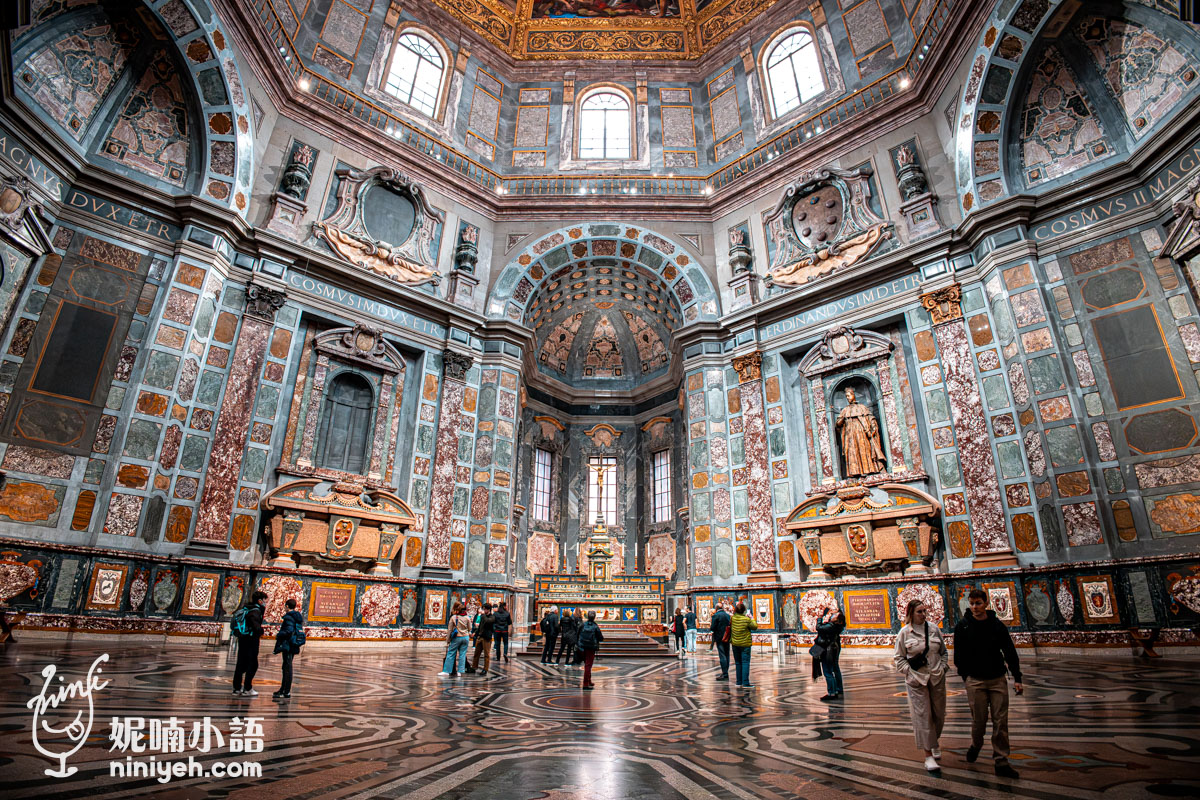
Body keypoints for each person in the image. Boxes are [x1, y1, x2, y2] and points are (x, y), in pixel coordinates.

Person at [954, 588, 1023, 780]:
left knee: (1001, 721)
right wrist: (966, 676)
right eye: (972, 603)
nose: (975, 607)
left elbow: (1009, 651)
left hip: (997, 679)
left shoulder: (996, 625)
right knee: (979, 721)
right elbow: (959, 656)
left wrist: (1017, 678)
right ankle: (976, 744)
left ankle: (1001, 760)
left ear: (986, 604)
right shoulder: (963, 626)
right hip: (975, 680)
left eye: (978, 603)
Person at [895, 599, 949, 773]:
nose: (923, 614)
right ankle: (928, 755)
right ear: (911, 613)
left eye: (925, 611)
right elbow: (899, 658)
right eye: (919, 611)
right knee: (923, 716)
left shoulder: (933, 628)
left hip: (936, 677)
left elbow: (944, 652)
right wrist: (910, 673)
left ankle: (934, 742)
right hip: (917, 681)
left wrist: (943, 668)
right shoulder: (904, 633)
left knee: (939, 715)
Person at [232, 591, 267, 697]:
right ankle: (247, 688)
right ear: (260, 601)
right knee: (253, 664)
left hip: (243, 639)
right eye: (265, 600)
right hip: (250, 640)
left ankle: (237, 688)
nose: (265, 602)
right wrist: (261, 630)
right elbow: (256, 627)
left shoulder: (247, 608)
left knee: (240, 663)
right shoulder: (256, 611)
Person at [272, 598, 304, 699]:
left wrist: (279, 635)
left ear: (287, 606)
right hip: (294, 643)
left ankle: (285, 691)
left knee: (287, 667)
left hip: (288, 644)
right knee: (287, 666)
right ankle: (285, 690)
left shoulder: (289, 618)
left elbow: (289, 631)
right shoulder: (297, 617)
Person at [814, 607, 845, 701]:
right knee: (835, 668)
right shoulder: (838, 626)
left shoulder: (831, 626)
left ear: (837, 619)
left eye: (834, 615)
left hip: (828, 650)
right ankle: (838, 689)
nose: (832, 615)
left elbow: (819, 627)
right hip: (834, 648)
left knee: (827, 671)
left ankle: (832, 692)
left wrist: (819, 618)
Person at [730, 601, 758, 688]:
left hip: (735, 643)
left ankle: (738, 682)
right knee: (745, 662)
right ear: (744, 611)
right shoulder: (746, 619)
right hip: (745, 644)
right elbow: (755, 626)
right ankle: (745, 682)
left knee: (738, 663)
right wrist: (752, 618)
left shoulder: (733, 618)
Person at [439, 602, 470, 677]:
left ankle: (446, 671)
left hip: (457, 637)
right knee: (462, 654)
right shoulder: (467, 618)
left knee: (451, 653)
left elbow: (450, 629)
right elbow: (470, 628)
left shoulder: (454, 617)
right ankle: (460, 671)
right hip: (465, 637)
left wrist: (448, 639)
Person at [577, 610, 605, 689]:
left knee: (587, 664)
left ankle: (589, 680)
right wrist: (601, 639)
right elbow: (600, 637)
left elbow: (578, 633)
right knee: (588, 665)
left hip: (582, 646)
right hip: (591, 647)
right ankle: (586, 683)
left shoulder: (583, 624)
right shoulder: (595, 626)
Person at [468, 603, 495, 675]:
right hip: (480, 637)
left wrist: (483, 615)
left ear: (488, 609)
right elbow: (480, 626)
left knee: (486, 655)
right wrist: (475, 633)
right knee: (476, 653)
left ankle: (485, 669)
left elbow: (487, 621)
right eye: (484, 609)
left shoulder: (492, 617)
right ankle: (474, 667)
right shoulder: (483, 616)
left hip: (487, 638)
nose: (484, 610)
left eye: (485, 609)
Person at [710, 602, 732, 680]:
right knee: (727, 655)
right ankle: (726, 671)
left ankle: (725, 673)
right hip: (727, 637)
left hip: (719, 638)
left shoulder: (715, 616)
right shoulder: (728, 615)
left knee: (722, 655)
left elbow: (712, 627)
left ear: (716, 608)